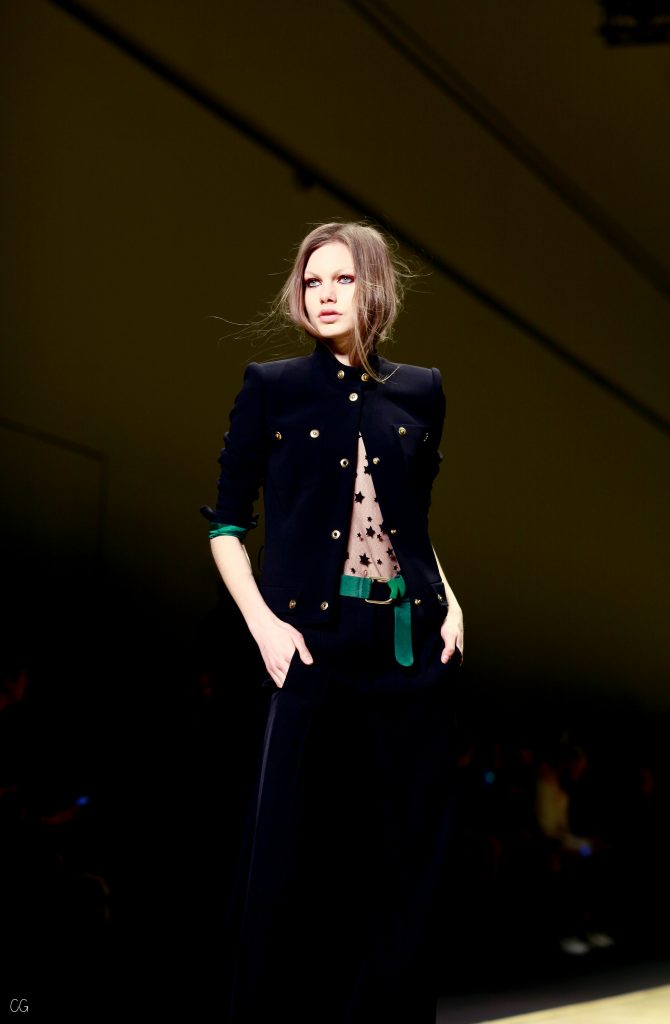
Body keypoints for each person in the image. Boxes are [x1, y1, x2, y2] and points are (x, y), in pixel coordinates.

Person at [201, 221, 465, 1023]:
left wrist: (451, 602)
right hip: (307, 646)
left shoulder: (421, 390)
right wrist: (263, 624)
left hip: (409, 646)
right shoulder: (272, 386)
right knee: (289, 857)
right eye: (312, 280)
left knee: (401, 859)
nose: (323, 294)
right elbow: (225, 524)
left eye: (342, 279)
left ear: (375, 287)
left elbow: (409, 522)